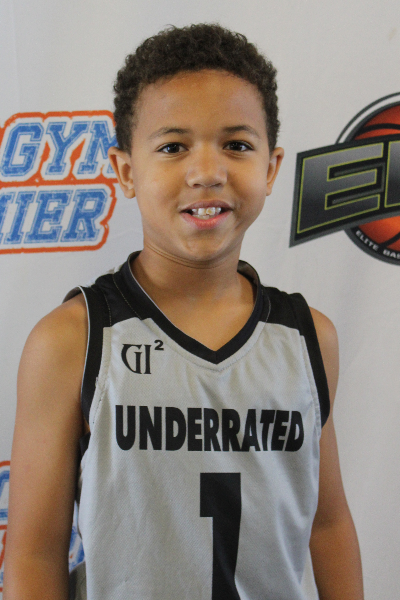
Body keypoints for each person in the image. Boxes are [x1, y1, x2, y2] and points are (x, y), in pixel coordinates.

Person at [4, 24, 363, 600]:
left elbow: (327, 523)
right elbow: (34, 552)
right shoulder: (72, 339)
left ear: (272, 168)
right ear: (125, 171)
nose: (207, 171)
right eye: (173, 147)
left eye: (236, 145)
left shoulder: (308, 337)